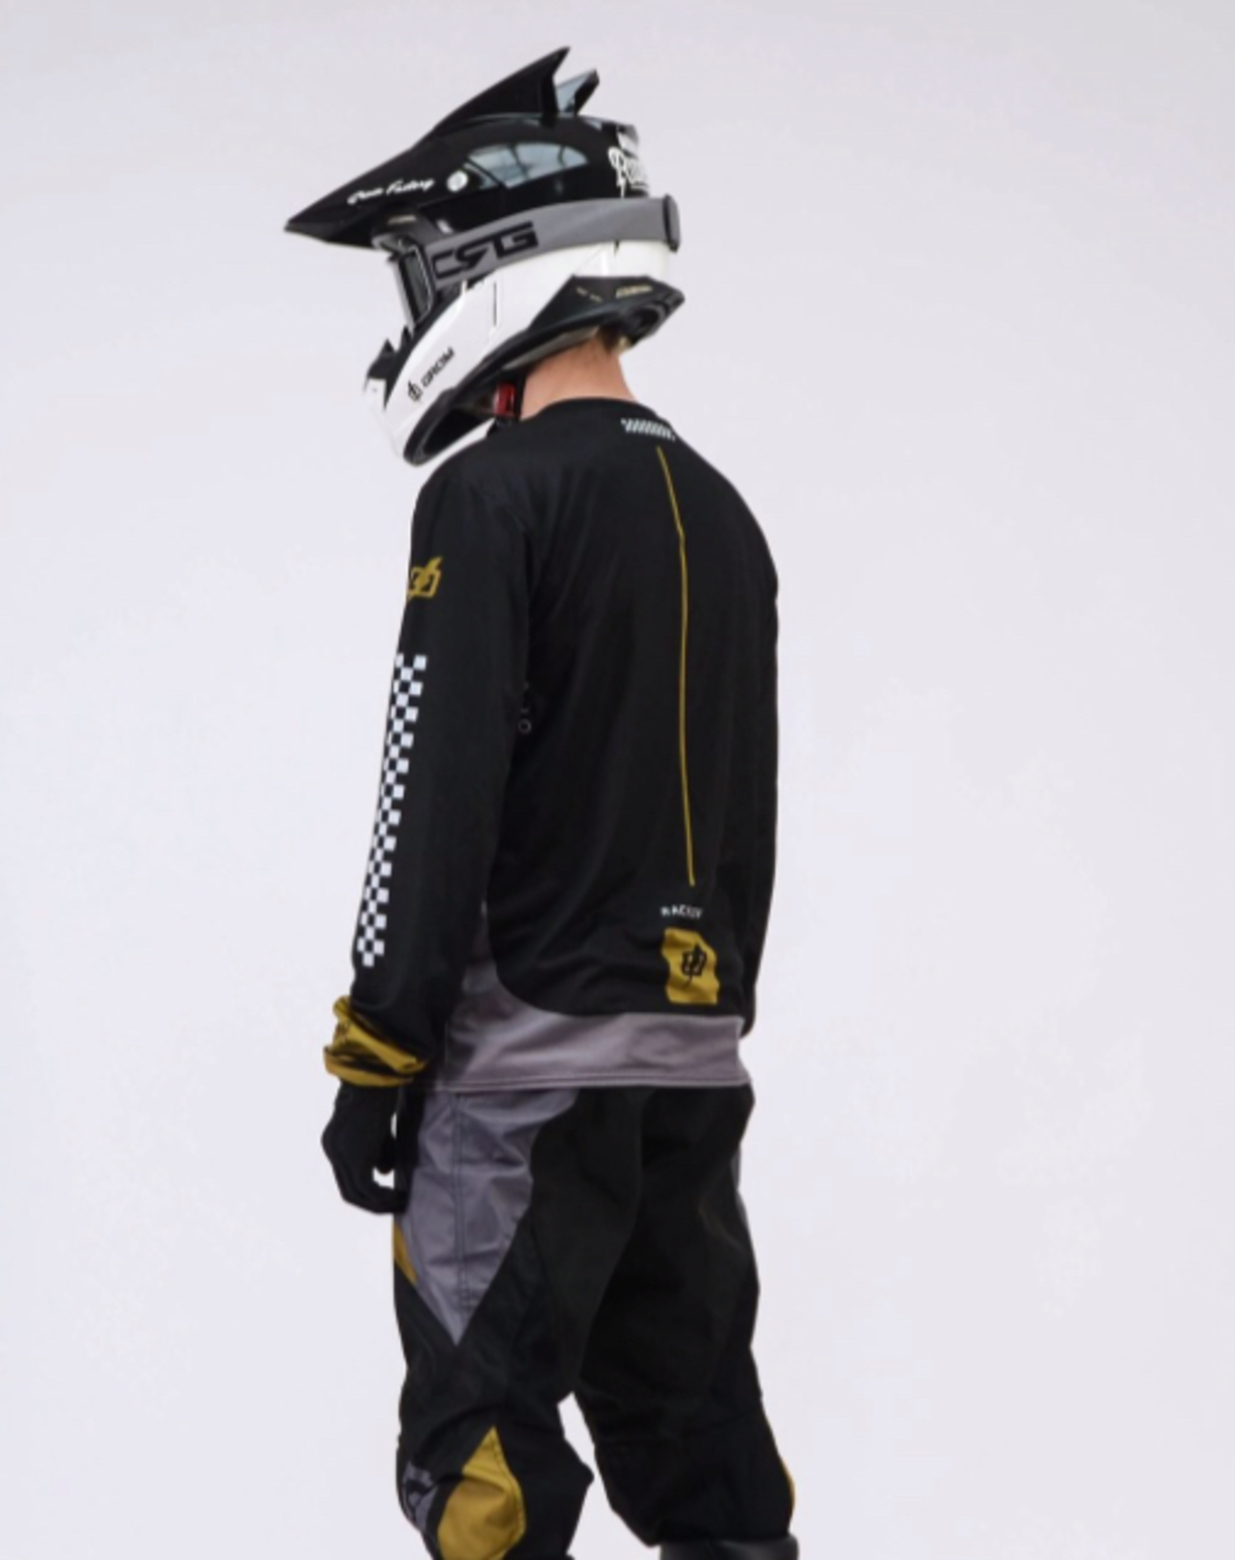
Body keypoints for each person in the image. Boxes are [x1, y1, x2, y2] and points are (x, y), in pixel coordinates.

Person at [287, 48, 797, 1560]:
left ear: (493, 262)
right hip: (689, 1071)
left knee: (482, 1469)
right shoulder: (725, 509)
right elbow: (747, 818)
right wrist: (701, 1018)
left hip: (519, 1075)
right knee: (710, 1474)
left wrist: (378, 1056)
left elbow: (431, 794)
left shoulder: (492, 492)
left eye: (421, 270)